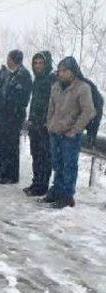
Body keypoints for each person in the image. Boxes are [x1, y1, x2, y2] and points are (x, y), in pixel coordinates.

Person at [42, 56, 96, 208]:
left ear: (73, 72)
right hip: (55, 132)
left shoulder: (82, 88)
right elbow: (51, 108)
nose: (60, 73)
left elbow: (89, 111)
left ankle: (67, 197)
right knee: (57, 165)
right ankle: (56, 192)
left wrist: (75, 130)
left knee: (69, 166)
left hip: (70, 135)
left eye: (64, 71)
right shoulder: (56, 87)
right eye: (59, 71)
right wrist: (49, 124)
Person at [0, 50, 32, 184]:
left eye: (8, 58)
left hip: (13, 116)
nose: (7, 61)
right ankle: (5, 173)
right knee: (4, 144)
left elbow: (21, 98)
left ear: (13, 59)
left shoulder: (23, 75)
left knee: (11, 146)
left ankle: (11, 175)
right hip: (5, 115)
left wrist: (10, 105)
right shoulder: (12, 74)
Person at [24, 51, 56, 197]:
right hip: (34, 124)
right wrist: (30, 120)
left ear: (47, 64)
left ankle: (42, 186)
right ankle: (36, 182)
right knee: (36, 155)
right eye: (35, 63)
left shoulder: (52, 80)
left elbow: (54, 104)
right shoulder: (37, 80)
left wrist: (47, 121)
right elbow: (34, 103)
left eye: (41, 63)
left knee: (44, 156)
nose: (37, 66)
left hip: (45, 126)